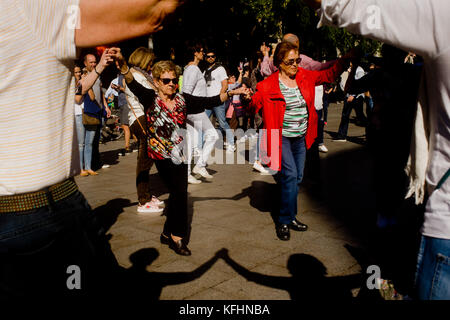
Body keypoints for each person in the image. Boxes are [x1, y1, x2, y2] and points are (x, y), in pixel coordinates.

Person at [0, 0, 181, 299]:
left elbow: (79, 89)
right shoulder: (32, 8)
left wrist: (98, 67)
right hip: (36, 212)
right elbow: (155, 10)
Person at [303, 0, 450, 300]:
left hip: (389, 147)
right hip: (393, 147)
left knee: (386, 204)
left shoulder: (438, 22)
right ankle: (385, 256)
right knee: (391, 203)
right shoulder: (410, 73)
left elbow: (348, 87)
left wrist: (355, 62)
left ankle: (382, 260)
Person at [113, 50, 248, 256]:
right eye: (166, 80)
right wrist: (123, 64)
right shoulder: (149, 97)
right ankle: (175, 235)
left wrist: (231, 93)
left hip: (180, 153)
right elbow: (132, 81)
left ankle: (171, 234)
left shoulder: (182, 100)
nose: (171, 84)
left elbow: (210, 101)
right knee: (178, 192)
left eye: (174, 80)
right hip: (160, 154)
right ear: (157, 82)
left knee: (180, 193)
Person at [246, 41, 351, 241]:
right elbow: (253, 108)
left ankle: (291, 216)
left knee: (297, 177)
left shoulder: (305, 76)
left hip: (301, 136)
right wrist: (246, 100)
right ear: (280, 63)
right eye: (291, 61)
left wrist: (344, 60)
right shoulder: (267, 85)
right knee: (290, 175)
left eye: (298, 60)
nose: (296, 65)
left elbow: (327, 75)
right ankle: (284, 221)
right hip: (280, 138)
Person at [182, 44, 219, 184]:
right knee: (213, 135)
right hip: (195, 110)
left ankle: (187, 174)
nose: (203, 54)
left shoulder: (191, 69)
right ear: (195, 53)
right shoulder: (192, 69)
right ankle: (200, 165)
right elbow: (187, 92)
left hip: (192, 110)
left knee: (191, 142)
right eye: (202, 51)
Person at [203, 48, 236, 152]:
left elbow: (225, 85)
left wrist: (220, 96)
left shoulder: (220, 68)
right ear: (205, 58)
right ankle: (200, 146)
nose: (210, 58)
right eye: (208, 56)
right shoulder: (205, 70)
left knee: (222, 123)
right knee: (203, 123)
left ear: (215, 57)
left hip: (217, 100)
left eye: (212, 56)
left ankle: (231, 143)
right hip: (207, 100)